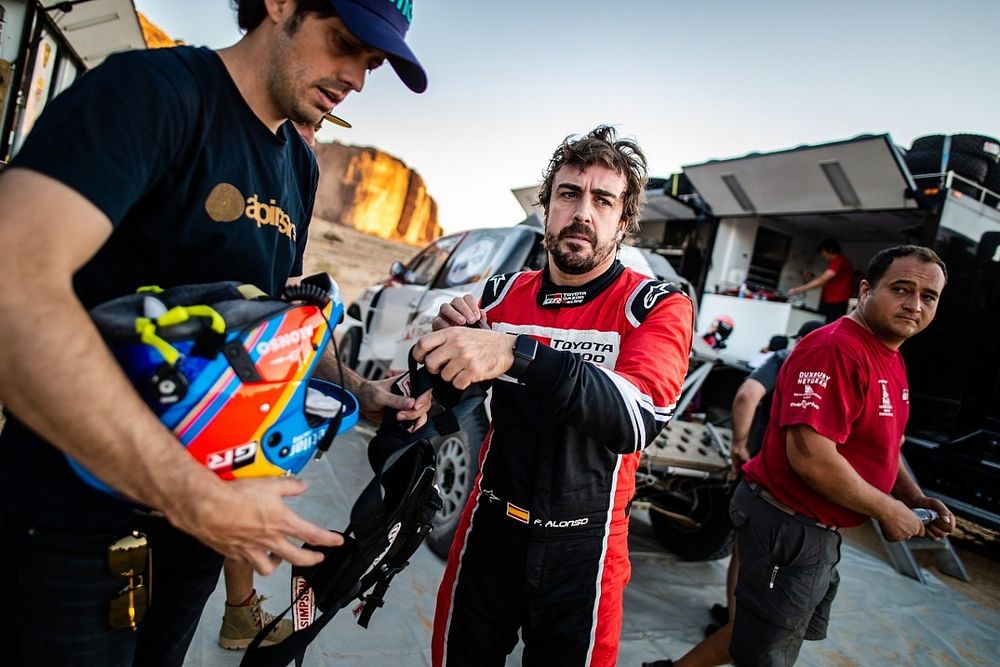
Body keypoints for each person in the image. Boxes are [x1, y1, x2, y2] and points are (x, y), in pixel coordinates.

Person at [0, 1, 430, 665]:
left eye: (371, 62)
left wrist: (358, 390)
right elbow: (13, 289)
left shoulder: (299, 166)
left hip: (197, 535)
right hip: (74, 527)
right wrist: (192, 494)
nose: (357, 78)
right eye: (344, 42)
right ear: (279, 3)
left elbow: (261, 330)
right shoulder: (151, 94)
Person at [416, 126, 694, 667]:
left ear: (623, 222)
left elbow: (636, 420)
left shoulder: (656, 305)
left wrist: (516, 352)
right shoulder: (501, 293)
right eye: (569, 194)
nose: (582, 212)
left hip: (585, 547)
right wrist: (436, 354)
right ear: (546, 208)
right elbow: (450, 403)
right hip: (489, 528)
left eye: (603, 200)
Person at [730, 245, 954, 666]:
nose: (914, 305)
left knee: (763, 630)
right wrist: (887, 510)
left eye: (929, 297)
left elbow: (887, 447)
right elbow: (811, 457)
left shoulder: (890, 354)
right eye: (901, 289)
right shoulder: (836, 349)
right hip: (790, 522)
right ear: (865, 290)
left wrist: (914, 498)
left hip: (814, 528)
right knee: (765, 651)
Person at [216, 115, 336, 651]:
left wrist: (360, 387)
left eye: (319, 130)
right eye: (305, 125)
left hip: (242, 388)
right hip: (174, 399)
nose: (311, 137)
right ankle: (239, 614)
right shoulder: (208, 128)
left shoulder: (300, 173)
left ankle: (239, 613)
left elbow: (281, 299)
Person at [642, 319, 823, 667]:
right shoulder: (830, 366)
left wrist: (740, 446)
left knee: (748, 553)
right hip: (801, 488)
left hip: (767, 476)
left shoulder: (786, 357)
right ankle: (739, 625)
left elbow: (747, 395)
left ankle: (736, 626)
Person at [787, 238, 854, 323]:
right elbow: (824, 280)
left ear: (830, 250)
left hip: (836, 302)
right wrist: (811, 279)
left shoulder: (839, 261)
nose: (822, 256)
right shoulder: (839, 262)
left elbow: (823, 280)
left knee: (827, 326)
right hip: (831, 301)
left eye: (823, 252)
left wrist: (798, 289)